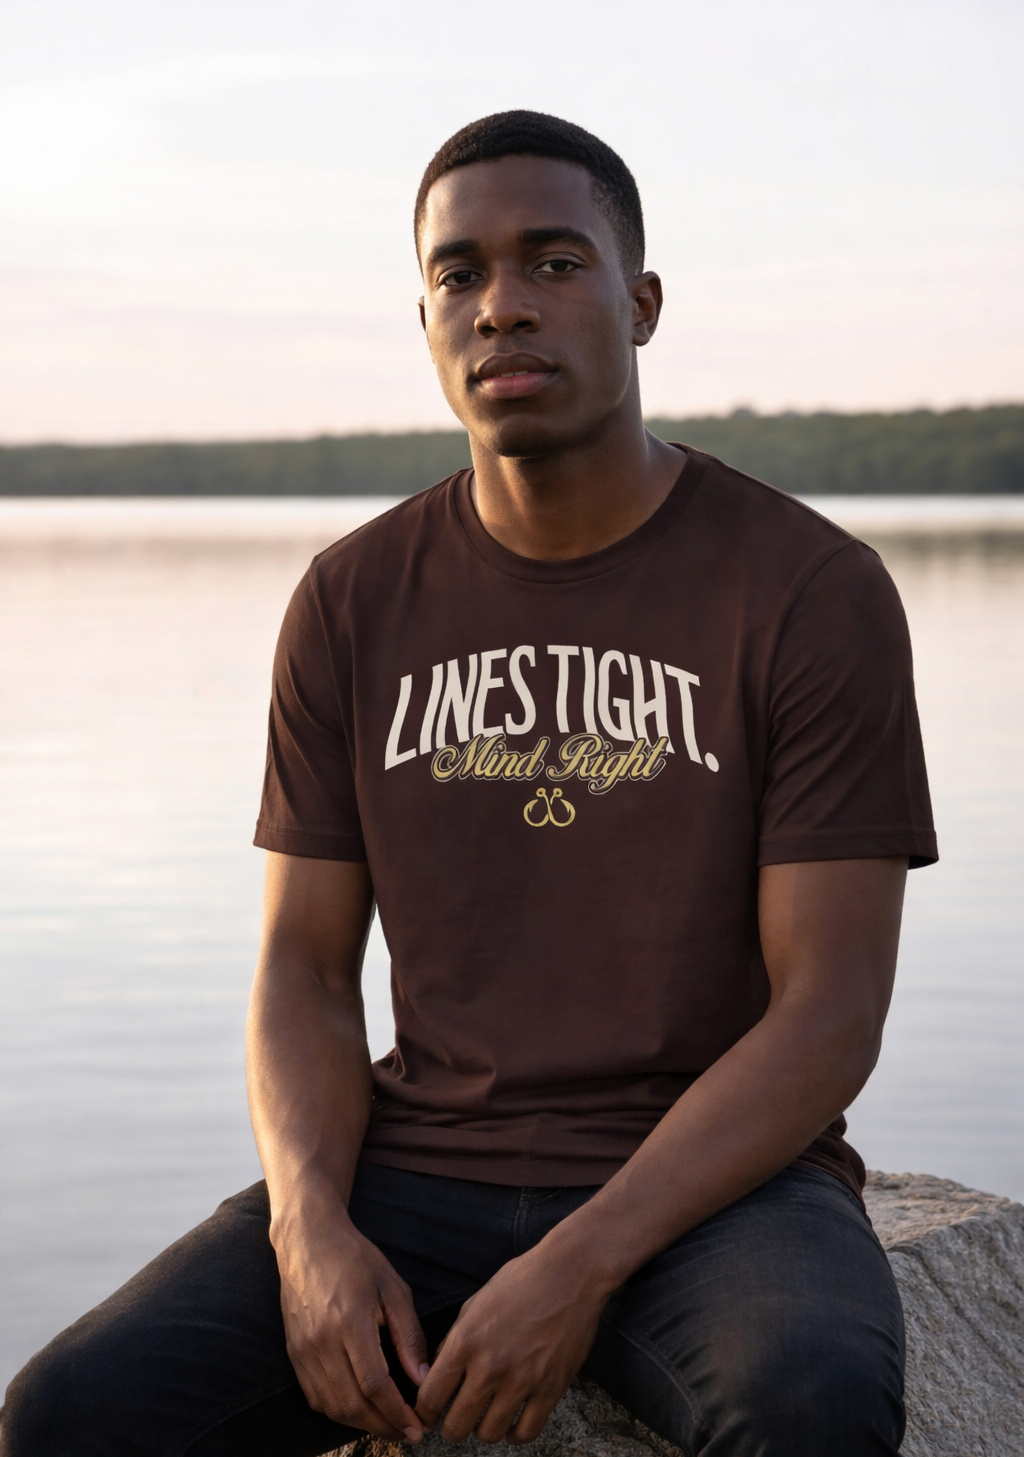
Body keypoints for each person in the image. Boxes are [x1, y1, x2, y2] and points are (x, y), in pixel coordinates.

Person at [1, 110, 937, 1457]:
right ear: (428, 315)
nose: (503, 308)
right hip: (415, 1176)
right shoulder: (352, 599)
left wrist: (578, 1264)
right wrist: (311, 1231)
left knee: (807, 1404)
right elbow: (305, 974)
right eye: (460, 275)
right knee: (72, 1413)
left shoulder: (806, 588)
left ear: (643, 303)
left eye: (556, 265)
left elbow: (831, 1011)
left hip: (723, 1192)